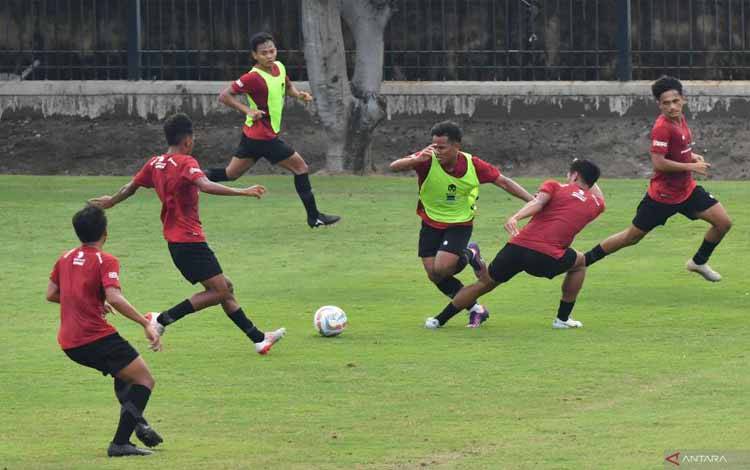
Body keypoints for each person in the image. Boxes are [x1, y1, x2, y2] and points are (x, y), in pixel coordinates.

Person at [89, 113, 285, 355]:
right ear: (188, 141)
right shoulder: (186, 162)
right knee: (220, 291)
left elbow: (131, 187)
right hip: (190, 240)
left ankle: (258, 339)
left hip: (177, 242)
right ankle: (161, 320)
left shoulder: (155, 163)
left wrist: (112, 201)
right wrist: (242, 191)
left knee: (226, 288)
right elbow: (205, 185)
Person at [426, 159, 605, 330]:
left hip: (516, 247)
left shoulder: (554, 186)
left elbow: (538, 202)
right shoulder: (596, 204)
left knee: (484, 283)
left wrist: (516, 217)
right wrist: (588, 177)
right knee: (580, 263)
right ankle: (562, 319)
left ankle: (438, 320)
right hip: (546, 258)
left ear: (574, 176)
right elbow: (596, 193)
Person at [583, 76, 732, 281]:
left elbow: (677, 151)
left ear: (683, 99)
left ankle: (698, 262)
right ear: (659, 105)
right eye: (666, 103)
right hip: (662, 197)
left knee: (723, 222)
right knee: (631, 237)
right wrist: (692, 165)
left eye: (675, 101)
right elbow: (659, 163)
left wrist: (691, 155)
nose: (672, 107)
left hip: (686, 190)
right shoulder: (662, 127)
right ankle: (584, 261)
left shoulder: (680, 119)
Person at [390, 121, 534, 327]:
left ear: (457, 146)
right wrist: (418, 158)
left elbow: (504, 182)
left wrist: (533, 201)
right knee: (434, 274)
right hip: (430, 221)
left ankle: (469, 253)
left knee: (443, 268)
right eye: (434, 146)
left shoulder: (473, 165)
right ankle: (476, 309)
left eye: (442, 147)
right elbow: (394, 167)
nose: (437, 151)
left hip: (459, 224)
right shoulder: (427, 159)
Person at [47, 205, 163, 457]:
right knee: (144, 380)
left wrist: (93, 303)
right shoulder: (105, 260)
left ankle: (139, 424)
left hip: (69, 341)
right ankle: (120, 443)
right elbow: (116, 298)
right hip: (93, 337)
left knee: (124, 374)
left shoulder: (64, 258)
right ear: (105, 233)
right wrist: (145, 324)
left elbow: (52, 294)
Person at [204, 31, 339, 229]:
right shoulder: (252, 77)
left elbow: (287, 86)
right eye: (264, 53)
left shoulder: (279, 67)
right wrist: (248, 110)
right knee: (301, 168)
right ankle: (314, 217)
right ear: (255, 55)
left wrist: (298, 95)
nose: (269, 55)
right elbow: (224, 96)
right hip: (263, 137)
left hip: (252, 137)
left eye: (272, 51)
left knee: (230, 174)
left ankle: (188, 176)